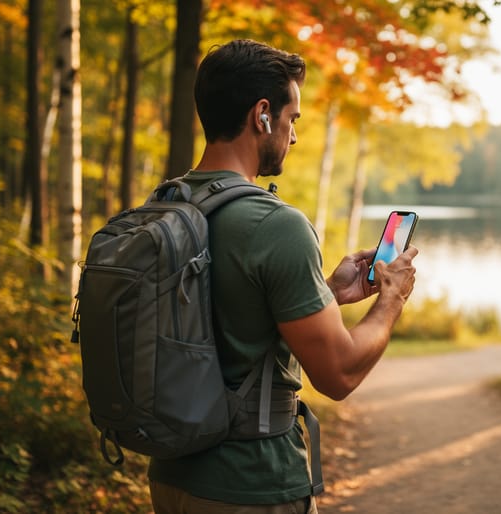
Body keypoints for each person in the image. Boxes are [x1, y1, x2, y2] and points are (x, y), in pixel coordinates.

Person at [148, 39, 418, 514]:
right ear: (263, 115)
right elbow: (339, 374)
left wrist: (329, 293)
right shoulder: (276, 225)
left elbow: (221, 318)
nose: (293, 137)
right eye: (293, 120)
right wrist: (391, 299)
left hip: (171, 479)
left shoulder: (166, 204)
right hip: (253, 486)